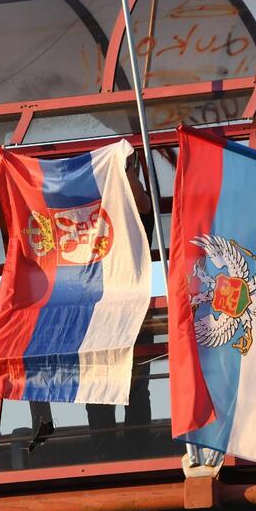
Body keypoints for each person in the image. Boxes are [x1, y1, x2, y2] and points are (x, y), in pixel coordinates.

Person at [84, 152, 155, 460]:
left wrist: (125, 169)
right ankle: (105, 456)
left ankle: (136, 453)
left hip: (133, 316)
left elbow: (142, 203)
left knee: (135, 388)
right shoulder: (94, 221)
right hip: (99, 318)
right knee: (97, 391)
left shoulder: (134, 216)